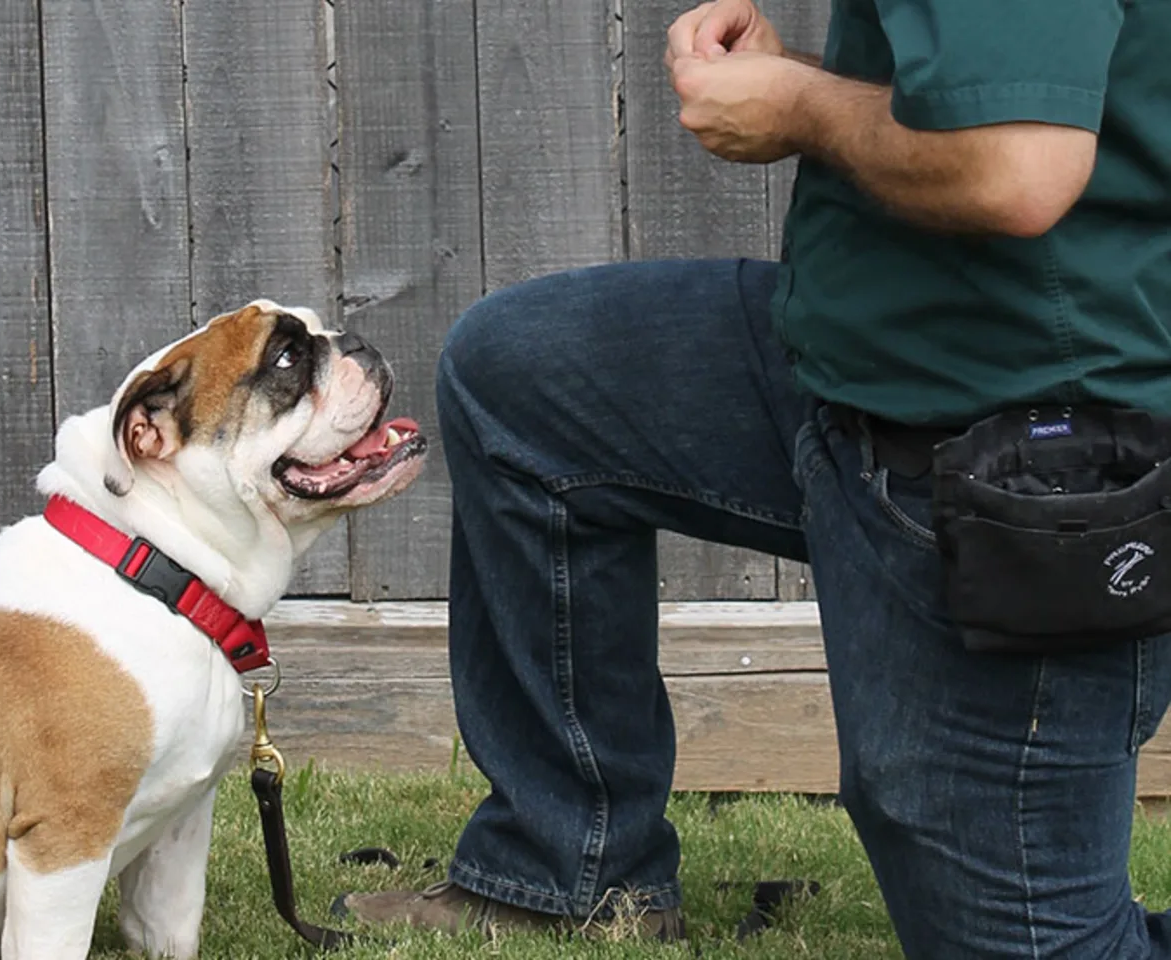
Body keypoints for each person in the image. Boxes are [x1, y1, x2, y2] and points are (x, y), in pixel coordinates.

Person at [335, 0, 1171, 955]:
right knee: (523, 380)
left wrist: (801, 108)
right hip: (859, 368)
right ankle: (569, 872)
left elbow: (1017, 168)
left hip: (1022, 454)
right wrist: (799, 77)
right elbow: (1005, 84)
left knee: (1032, 937)